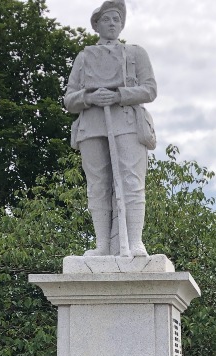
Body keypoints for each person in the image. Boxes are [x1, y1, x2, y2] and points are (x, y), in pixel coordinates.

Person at [64, 0, 156, 257]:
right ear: (97, 25)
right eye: (107, 19)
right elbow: (69, 99)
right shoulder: (84, 57)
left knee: (132, 181)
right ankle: (102, 244)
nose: (112, 24)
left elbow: (150, 90)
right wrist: (90, 98)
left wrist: (119, 95)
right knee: (97, 185)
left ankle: (135, 242)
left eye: (117, 19)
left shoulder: (136, 54)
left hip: (126, 122)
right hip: (92, 125)